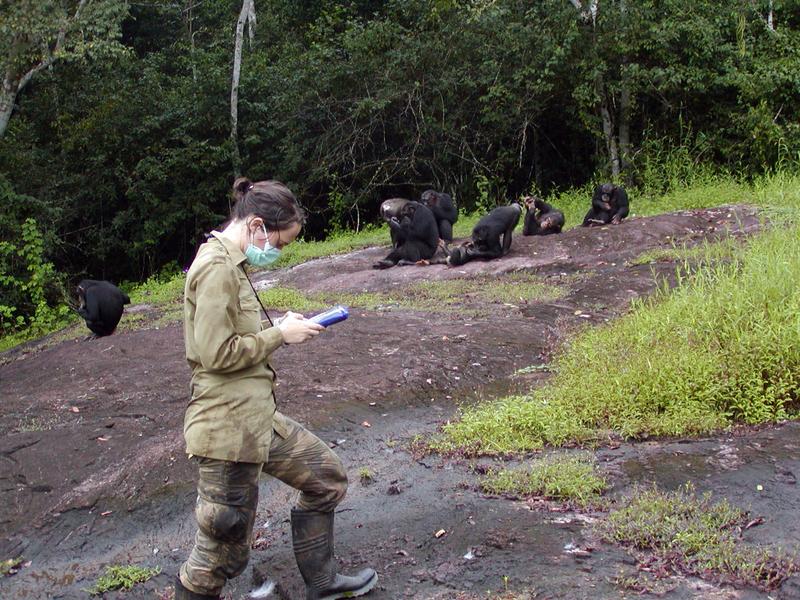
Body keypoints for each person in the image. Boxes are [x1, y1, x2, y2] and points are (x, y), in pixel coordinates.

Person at [176, 177, 378, 600]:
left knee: (326, 478)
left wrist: (279, 327)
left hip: (257, 418)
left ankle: (322, 584)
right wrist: (278, 336)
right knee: (219, 553)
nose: (278, 252)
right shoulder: (215, 269)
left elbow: (236, 334)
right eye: (281, 243)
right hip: (226, 429)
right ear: (256, 226)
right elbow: (217, 354)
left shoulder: (234, 263)